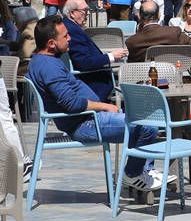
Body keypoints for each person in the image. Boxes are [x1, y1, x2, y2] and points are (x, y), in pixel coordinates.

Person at [27, 16, 162, 191]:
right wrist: (105, 106)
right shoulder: (49, 68)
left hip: (87, 119)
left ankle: (142, 171)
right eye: (65, 36)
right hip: (86, 124)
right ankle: (132, 174)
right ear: (52, 43)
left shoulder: (40, 61)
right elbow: (73, 104)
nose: (70, 39)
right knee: (148, 126)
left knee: (141, 122)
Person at [62, 0, 127, 101]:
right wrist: (111, 56)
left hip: (92, 79)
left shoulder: (69, 26)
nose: (87, 14)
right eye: (85, 11)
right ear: (73, 13)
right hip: (93, 84)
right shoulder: (72, 30)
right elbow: (83, 63)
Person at [126, 1, 191, 64]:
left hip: (146, 82)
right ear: (159, 15)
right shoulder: (173, 33)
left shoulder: (132, 42)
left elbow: (131, 67)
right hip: (175, 78)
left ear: (139, 17)